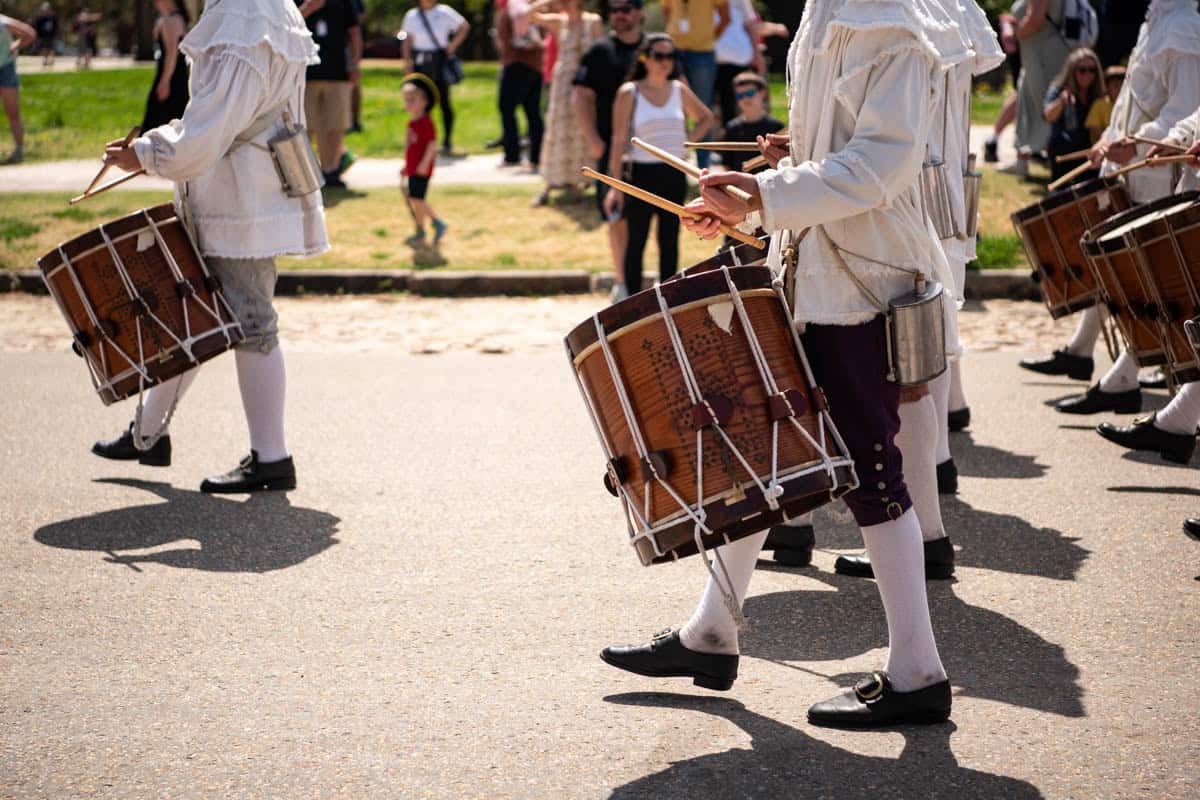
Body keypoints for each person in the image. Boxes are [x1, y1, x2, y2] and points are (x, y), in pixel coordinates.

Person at [601, 0, 966, 728]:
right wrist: (765, 188)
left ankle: (918, 671)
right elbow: (840, 146)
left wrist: (766, 194)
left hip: (861, 278)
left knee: (868, 468)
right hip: (815, 268)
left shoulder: (893, 26)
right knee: (769, 451)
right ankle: (711, 633)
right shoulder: (824, 12)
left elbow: (881, 167)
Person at [91, 0, 328, 494]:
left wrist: (144, 153)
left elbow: (212, 124)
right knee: (191, 316)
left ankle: (272, 457)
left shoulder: (247, 17)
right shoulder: (264, 8)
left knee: (250, 321)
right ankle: (147, 436)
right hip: (235, 191)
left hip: (241, 197)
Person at [831, 0, 1006, 581]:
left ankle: (924, 529)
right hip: (937, 191)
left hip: (906, 200)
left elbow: (893, 132)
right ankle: (930, 517)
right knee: (918, 372)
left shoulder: (912, 13)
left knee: (908, 377)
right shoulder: (948, 9)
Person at [1021, 0, 1200, 415]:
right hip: (1134, 169)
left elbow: (1185, 106)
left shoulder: (1184, 27)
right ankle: (1108, 370)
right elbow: (1137, 103)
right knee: (1129, 278)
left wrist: (1136, 143)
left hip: (1161, 176)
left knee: (1150, 282)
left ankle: (1126, 379)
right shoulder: (1156, 22)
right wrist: (1112, 139)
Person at [604, 34, 714, 294]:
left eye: (670, 56)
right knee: (636, 239)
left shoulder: (678, 89)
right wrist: (614, 185)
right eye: (658, 56)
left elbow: (706, 118)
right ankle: (631, 297)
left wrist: (684, 142)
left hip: (672, 172)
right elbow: (618, 139)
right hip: (639, 172)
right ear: (645, 58)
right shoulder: (630, 92)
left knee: (669, 239)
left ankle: (668, 296)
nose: (665, 62)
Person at [573, 0, 645, 300]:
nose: (619, 15)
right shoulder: (599, 52)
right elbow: (579, 96)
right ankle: (623, 282)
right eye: (614, 10)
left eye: (626, 8)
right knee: (617, 218)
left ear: (640, 13)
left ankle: (654, 279)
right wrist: (593, 139)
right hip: (610, 147)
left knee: (650, 218)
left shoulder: (656, 49)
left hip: (651, 150)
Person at [531, 0, 603, 206]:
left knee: (583, 130)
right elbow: (530, 15)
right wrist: (548, 2)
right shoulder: (560, 21)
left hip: (587, 82)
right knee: (559, 130)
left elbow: (600, 50)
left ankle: (581, 181)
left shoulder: (593, 21)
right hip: (563, 82)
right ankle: (554, 180)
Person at [1003, 0, 1073, 178]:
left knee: (1045, 107)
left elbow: (1035, 20)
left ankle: (1056, 166)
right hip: (1037, 54)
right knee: (1026, 101)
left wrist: (1012, 33)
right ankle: (1023, 160)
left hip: (1045, 55)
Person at [297, 0, 362, 189]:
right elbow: (286, 27)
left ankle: (331, 171)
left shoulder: (344, 3)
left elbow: (355, 33)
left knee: (335, 124)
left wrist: (355, 64)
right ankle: (305, 173)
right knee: (304, 125)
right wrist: (307, 10)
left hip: (338, 73)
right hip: (305, 74)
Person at [661, 0, 729, 170]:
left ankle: (702, 167)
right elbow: (667, 12)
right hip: (674, 53)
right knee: (674, 106)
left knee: (703, 109)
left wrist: (707, 38)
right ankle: (677, 163)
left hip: (702, 54)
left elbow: (725, 18)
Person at [402, 0, 469, 155]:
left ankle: (447, 141)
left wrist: (452, 46)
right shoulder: (412, 15)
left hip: (438, 60)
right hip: (420, 61)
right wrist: (407, 61)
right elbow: (407, 40)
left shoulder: (444, 12)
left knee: (444, 101)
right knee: (421, 103)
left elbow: (464, 26)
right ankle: (423, 139)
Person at [1043, 48, 1105, 182]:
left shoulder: (1099, 96)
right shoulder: (1059, 89)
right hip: (1065, 149)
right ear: (1072, 71)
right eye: (1082, 70)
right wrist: (1062, 101)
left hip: (1090, 150)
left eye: (1092, 70)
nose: (1087, 74)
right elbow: (1048, 116)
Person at [496, 0, 544, 169]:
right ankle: (536, 156)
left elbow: (521, 30)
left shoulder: (516, 4)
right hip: (536, 66)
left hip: (518, 64)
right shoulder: (533, 4)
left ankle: (512, 155)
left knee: (506, 108)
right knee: (532, 112)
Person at [401, 75, 447, 246]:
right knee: (415, 199)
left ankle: (438, 222)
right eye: (406, 100)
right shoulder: (411, 123)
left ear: (425, 101)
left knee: (417, 199)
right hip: (413, 167)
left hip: (422, 168)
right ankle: (420, 229)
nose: (408, 104)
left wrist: (424, 164)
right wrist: (406, 165)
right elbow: (410, 148)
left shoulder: (426, 122)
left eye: (412, 100)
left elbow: (432, 145)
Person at [139, 0, 190, 133]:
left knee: (157, 120)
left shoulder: (171, 21)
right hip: (177, 77)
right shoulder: (173, 19)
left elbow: (171, 54)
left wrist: (165, 82)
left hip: (171, 78)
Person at [714, 0, 760, 127]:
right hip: (707, 59)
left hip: (738, 59)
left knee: (740, 106)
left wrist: (757, 55)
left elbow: (749, 24)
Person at [0, 12, 34, 164]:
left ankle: (19, 150)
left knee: (12, 111)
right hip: (6, 69)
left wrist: (15, 46)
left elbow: (29, 33)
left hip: (5, 69)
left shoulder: (3, 22)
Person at [1084, 64, 1123, 144]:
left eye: (1123, 86)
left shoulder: (1130, 105)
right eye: (1116, 86)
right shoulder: (1099, 105)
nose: (1120, 89)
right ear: (1107, 88)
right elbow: (1095, 130)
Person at [33, 3, 57, 68]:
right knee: (44, 48)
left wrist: (55, 33)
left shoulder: (52, 17)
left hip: (51, 35)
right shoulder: (40, 18)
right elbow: (37, 27)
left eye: (47, 9)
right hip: (43, 36)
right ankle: (45, 60)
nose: (46, 11)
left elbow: (55, 26)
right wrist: (37, 35)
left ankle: (52, 61)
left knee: (52, 48)